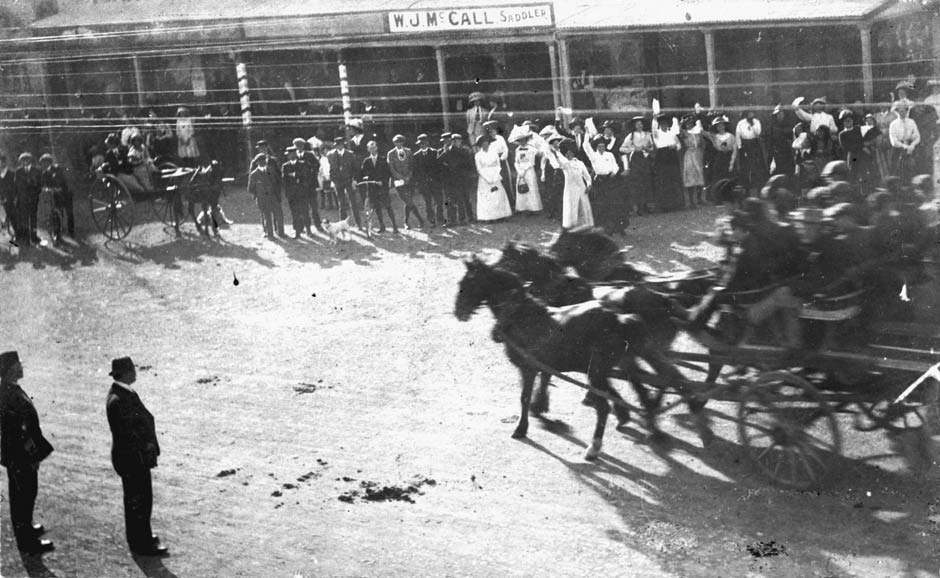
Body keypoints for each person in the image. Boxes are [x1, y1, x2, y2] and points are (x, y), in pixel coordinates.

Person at [106, 357, 168, 557]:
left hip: (135, 458)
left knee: (140, 500)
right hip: (133, 460)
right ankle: (141, 544)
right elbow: (128, 436)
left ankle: (142, 537)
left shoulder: (124, 393)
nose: (135, 373)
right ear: (124, 374)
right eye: (132, 370)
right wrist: (146, 449)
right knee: (138, 501)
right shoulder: (118, 400)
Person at [0, 351, 54, 555]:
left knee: (27, 494)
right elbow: (17, 432)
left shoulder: (10, 389)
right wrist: (32, 456)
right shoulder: (8, 394)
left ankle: (27, 529)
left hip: (21, 456)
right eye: (18, 364)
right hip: (20, 457)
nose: (21, 367)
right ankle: (26, 543)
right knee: (22, 497)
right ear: (10, 370)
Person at [548, 138, 593, 228]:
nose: (569, 155)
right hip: (570, 188)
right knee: (572, 206)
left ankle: (584, 224)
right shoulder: (565, 164)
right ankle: (571, 225)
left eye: (571, 152)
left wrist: (589, 184)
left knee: (583, 205)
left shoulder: (580, 163)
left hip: (581, 187)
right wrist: (555, 154)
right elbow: (559, 163)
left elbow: (587, 176)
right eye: (567, 153)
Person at [583, 133, 622, 234]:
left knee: (611, 202)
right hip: (599, 181)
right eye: (599, 146)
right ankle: (601, 226)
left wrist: (614, 172)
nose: (601, 148)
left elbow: (616, 165)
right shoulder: (593, 156)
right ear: (596, 147)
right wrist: (587, 133)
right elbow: (585, 145)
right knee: (600, 204)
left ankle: (612, 226)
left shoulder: (609, 155)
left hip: (609, 180)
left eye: (603, 146)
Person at [361, 140, 399, 233]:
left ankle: (395, 226)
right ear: (368, 149)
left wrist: (383, 182)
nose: (373, 150)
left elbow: (388, 173)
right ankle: (382, 226)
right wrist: (366, 179)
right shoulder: (366, 161)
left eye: (374, 147)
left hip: (382, 187)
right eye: (370, 148)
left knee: (388, 206)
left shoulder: (383, 159)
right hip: (372, 189)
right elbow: (363, 174)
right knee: (377, 208)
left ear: (377, 148)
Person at [620, 116, 655, 215]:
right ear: (634, 126)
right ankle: (639, 207)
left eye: (641, 124)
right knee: (637, 183)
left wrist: (647, 149)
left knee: (646, 181)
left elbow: (651, 147)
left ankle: (645, 206)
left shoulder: (648, 135)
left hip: (645, 159)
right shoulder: (631, 136)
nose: (640, 125)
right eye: (637, 124)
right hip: (636, 160)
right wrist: (634, 148)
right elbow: (622, 148)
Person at [387, 134, 423, 229]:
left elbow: (412, 165)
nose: (398, 144)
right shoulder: (390, 153)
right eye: (396, 142)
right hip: (398, 181)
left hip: (409, 180)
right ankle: (420, 219)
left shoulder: (409, 151)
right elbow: (391, 168)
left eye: (400, 142)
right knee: (407, 200)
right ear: (394, 143)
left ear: (403, 142)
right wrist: (400, 177)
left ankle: (406, 222)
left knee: (408, 200)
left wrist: (408, 177)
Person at [438, 133, 475, 225]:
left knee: (465, 198)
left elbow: (467, 163)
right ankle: (454, 219)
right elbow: (439, 163)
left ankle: (468, 218)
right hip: (450, 180)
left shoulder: (463, 150)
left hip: (462, 178)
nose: (446, 143)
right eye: (444, 141)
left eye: (458, 141)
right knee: (452, 200)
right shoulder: (445, 151)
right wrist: (445, 152)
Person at [473, 135, 512, 222]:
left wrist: (495, 176)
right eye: (483, 144)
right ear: (480, 145)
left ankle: (500, 216)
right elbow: (479, 169)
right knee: (487, 196)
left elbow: (498, 165)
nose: (485, 145)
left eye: (487, 143)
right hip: (484, 177)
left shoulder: (494, 153)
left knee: (498, 195)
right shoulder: (478, 155)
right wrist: (488, 179)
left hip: (495, 175)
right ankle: (489, 217)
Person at [327, 136, 362, 229]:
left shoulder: (350, 154)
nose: (339, 147)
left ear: (343, 145)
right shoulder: (331, 155)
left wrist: (354, 180)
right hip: (338, 182)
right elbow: (331, 170)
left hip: (349, 180)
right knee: (341, 204)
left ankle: (358, 224)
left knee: (353, 202)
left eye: (341, 144)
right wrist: (334, 180)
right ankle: (342, 225)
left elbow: (356, 169)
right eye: (337, 145)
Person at [39, 153, 73, 243]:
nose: (44, 165)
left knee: (69, 212)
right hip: (56, 195)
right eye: (42, 163)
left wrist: (59, 187)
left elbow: (63, 179)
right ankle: (58, 234)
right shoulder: (45, 173)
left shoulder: (58, 168)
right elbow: (43, 184)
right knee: (57, 213)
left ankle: (71, 232)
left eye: (45, 162)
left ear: (49, 162)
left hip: (65, 193)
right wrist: (46, 189)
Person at [248, 153, 283, 239]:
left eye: (264, 160)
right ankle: (270, 235)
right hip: (262, 199)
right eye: (260, 161)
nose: (263, 162)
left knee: (279, 215)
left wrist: (277, 194)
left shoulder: (271, 171)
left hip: (274, 197)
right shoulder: (254, 174)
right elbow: (250, 188)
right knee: (267, 217)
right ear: (257, 163)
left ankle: (281, 232)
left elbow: (277, 183)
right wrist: (259, 194)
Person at [413, 134, 443, 227]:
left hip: (435, 182)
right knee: (428, 203)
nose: (423, 145)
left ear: (427, 143)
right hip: (424, 183)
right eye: (421, 144)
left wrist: (438, 180)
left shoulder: (435, 152)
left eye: (424, 143)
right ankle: (431, 220)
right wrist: (419, 184)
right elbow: (416, 171)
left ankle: (440, 219)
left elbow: (439, 167)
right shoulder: (416, 155)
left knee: (439, 201)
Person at [735, 109, 767, 196]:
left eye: (751, 113)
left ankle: (759, 191)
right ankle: (746, 190)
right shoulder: (740, 123)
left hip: (755, 144)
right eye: (748, 113)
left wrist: (752, 124)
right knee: (745, 168)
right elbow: (738, 136)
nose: (750, 115)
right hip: (745, 145)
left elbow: (758, 133)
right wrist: (740, 147)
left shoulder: (756, 122)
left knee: (757, 167)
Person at [293, 138, 322, 233]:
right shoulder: (293, 156)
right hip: (300, 187)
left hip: (310, 186)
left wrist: (311, 173)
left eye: (300, 146)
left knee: (314, 207)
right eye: (297, 146)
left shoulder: (309, 155)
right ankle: (305, 227)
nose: (299, 148)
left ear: (303, 146)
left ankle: (318, 225)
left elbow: (317, 165)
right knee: (303, 208)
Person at [13, 152, 42, 247]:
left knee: (33, 219)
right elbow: (16, 186)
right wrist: (16, 197)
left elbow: (39, 185)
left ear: (30, 160)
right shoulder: (18, 171)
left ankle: (34, 236)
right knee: (24, 219)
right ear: (20, 161)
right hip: (22, 199)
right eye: (23, 160)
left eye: (27, 159)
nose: (25, 161)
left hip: (33, 199)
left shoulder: (36, 170)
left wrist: (36, 194)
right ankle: (26, 239)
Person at [511, 131, 543, 215]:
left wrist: (524, 170)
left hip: (528, 170)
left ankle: (533, 208)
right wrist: (519, 170)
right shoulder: (517, 149)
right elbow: (516, 161)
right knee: (521, 186)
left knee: (531, 187)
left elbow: (531, 161)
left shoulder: (531, 149)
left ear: (526, 140)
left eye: (524, 140)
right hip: (520, 170)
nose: (522, 142)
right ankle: (522, 208)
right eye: (520, 140)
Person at [282, 146, 310, 239]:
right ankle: (297, 231)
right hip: (292, 194)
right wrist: (295, 176)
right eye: (288, 155)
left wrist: (294, 175)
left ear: (294, 155)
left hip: (302, 193)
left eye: (290, 154)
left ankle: (308, 229)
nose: (289, 156)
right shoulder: (285, 166)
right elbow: (284, 180)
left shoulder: (302, 164)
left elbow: (305, 176)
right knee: (295, 213)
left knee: (305, 211)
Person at [889, 101, 921, 183]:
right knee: (897, 172)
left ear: (907, 111)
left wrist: (913, 145)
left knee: (912, 171)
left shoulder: (911, 122)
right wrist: (904, 146)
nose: (901, 113)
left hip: (911, 148)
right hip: (898, 150)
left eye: (904, 111)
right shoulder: (893, 124)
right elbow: (893, 141)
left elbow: (917, 136)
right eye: (899, 111)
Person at [704, 116, 737, 193]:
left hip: (729, 157)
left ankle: (729, 196)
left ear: (724, 126)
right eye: (718, 126)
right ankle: (718, 197)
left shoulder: (731, 136)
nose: (720, 127)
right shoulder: (715, 137)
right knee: (718, 177)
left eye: (722, 125)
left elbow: (735, 150)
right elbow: (703, 132)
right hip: (719, 157)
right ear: (716, 127)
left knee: (729, 176)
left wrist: (731, 163)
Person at [679, 115, 706, 207]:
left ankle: (699, 198)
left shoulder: (697, 132)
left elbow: (702, 143)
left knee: (700, 174)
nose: (688, 125)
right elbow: (680, 133)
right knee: (691, 176)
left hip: (698, 153)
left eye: (690, 123)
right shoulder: (684, 133)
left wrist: (702, 152)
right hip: (689, 154)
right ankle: (691, 201)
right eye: (686, 124)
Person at [767, 104, 795, 186]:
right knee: (777, 171)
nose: (780, 116)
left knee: (788, 171)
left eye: (782, 114)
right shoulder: (772, 127)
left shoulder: (788, 125)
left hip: (787, 152)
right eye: (778, 114)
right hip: (776, 152)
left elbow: (791, 137)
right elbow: (770, 141)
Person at [0, 154, 15, 239]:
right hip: (1, 196)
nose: (1, 164)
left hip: (9, 197)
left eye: (2, 162)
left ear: (5, 163)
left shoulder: (11, 173)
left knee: (11, 213)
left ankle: (14, 229)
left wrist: (8, 197)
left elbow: (14, 186)